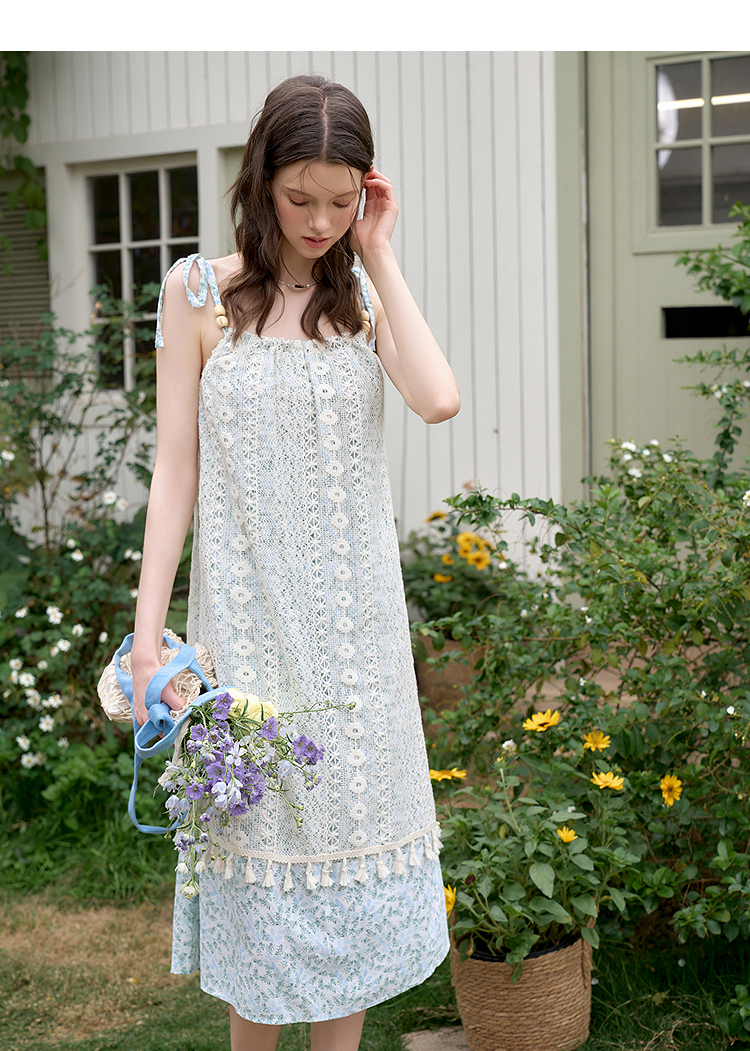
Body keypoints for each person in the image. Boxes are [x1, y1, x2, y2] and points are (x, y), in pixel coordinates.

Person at [130, 73, 460, 1051]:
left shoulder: (363, 302)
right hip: (246, 636)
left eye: (342, 200)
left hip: (357, 648)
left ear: (366, 192)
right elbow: (175, 471)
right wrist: (149, 639)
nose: (320, 222)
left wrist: (379, 252)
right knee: (262, 884)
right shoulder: (198, 295)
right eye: (298, 198)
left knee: (345, 897)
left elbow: (438, 397)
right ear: (260, 183)